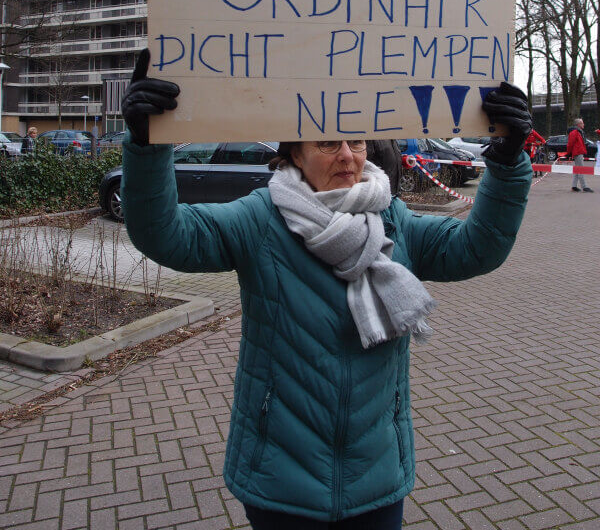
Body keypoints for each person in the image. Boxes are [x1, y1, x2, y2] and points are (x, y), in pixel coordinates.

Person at [120, 50, 532, 529]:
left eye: (355, 140)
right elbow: (165, 235)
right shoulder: (260, 219)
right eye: (327, 141)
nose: (346, 155)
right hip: (280, 480)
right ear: (293, 152)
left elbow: (477, 249)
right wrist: (146, 147)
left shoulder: (391, 217)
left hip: (375, 478)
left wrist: (508, 161)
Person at [566, 118, 593, 192]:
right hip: (578, 152)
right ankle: (584, 186)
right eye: (582, 123)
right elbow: (570, 144)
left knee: (577, 169)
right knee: (581, 169)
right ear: (578, 124)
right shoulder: (575, 132)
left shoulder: (578, 132)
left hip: (578, 152)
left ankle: (574, 186)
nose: (583, 124)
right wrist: (568, 153)